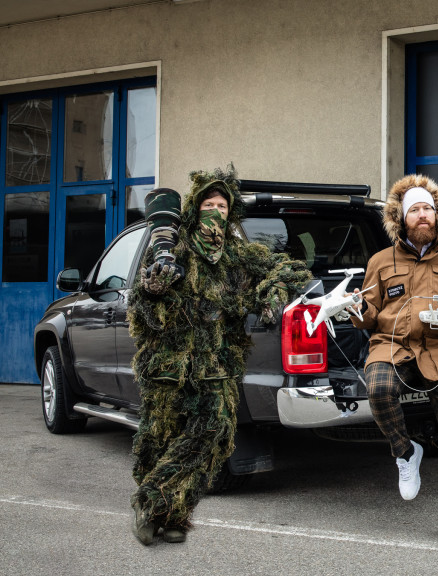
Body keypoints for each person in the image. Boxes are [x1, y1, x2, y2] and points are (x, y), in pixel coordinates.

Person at [127, 166, 311, 545]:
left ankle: (155, 504)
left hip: (216, 366)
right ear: (196, 208)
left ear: (232, 214)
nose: (216, 212)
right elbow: (140, 307)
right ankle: (163, 514)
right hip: (169, 365)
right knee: (159, 440)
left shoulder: (238, 253)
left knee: (212, 439)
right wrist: (153, 287)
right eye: (209, 204)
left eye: (223, 207)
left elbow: (288, 268)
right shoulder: (172, 249)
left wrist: (273, 292)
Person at [346, 175, 438, 547]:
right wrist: (357, 310)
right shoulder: (379, 261)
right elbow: (370, 313)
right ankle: (406, 451)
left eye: (428, 209)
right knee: (378, 387)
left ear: (437, 216)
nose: (423, 215)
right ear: (401, 218)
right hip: (391, 344)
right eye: (415, 210)